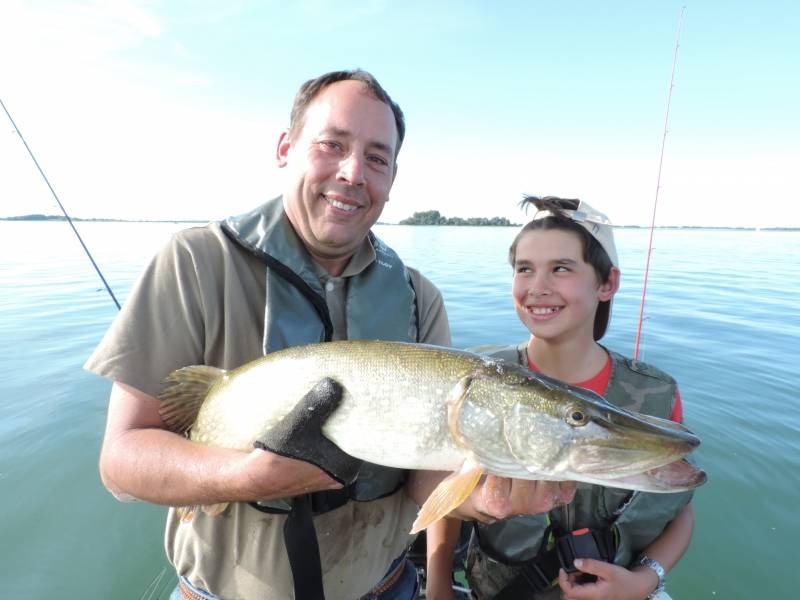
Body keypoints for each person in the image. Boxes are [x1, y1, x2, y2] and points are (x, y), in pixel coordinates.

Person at [87, 70, 573, 600]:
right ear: (285, 148)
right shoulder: (194, 263)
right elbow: (121, 461)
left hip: (386, 588)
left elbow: (423, 478)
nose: (352, 172)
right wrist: (246, 479)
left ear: (391, 178)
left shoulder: (419, 297)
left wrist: (482, 497)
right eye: (332, 145)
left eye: (377, 158)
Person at [425, 196, 696, 600]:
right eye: (524, 269)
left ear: (607, 283)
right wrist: (438, 590)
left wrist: (644, 579)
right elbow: (445, 487)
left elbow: (679, 501)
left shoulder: (654, 394)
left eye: (562, 269)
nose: (538, 287)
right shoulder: (478, 377)